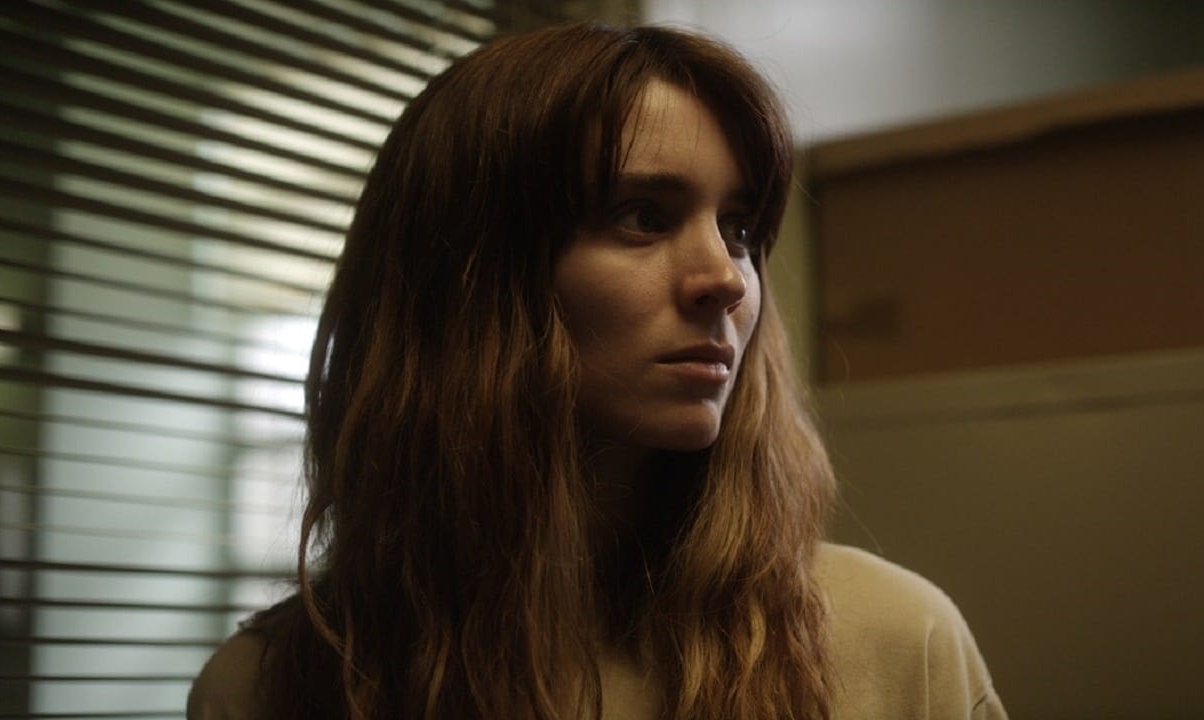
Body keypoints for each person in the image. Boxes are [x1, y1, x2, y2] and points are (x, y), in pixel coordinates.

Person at [188, 20, 1006, 720]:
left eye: (740, 229)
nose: (726, 278)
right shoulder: (265, 690)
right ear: (472, 282)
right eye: (642, 216)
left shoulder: (898, 643)